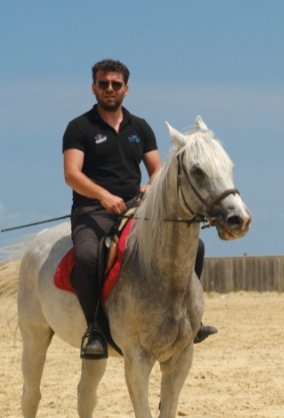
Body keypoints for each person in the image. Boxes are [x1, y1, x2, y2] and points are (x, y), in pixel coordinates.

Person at [64, 59, 217, 359]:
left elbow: (157, 170)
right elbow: (72, 174)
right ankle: (94, 327)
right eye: (104, 84)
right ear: (93, 87)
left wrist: (150, 187)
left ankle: (190, 320)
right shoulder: (79, 127)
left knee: (195, 246)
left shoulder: (141, 128)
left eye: (116, 84)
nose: (110, 89)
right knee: (85, 256)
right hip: (92, 212)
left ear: (126, 89)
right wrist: (104, 196)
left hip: (136, 210)